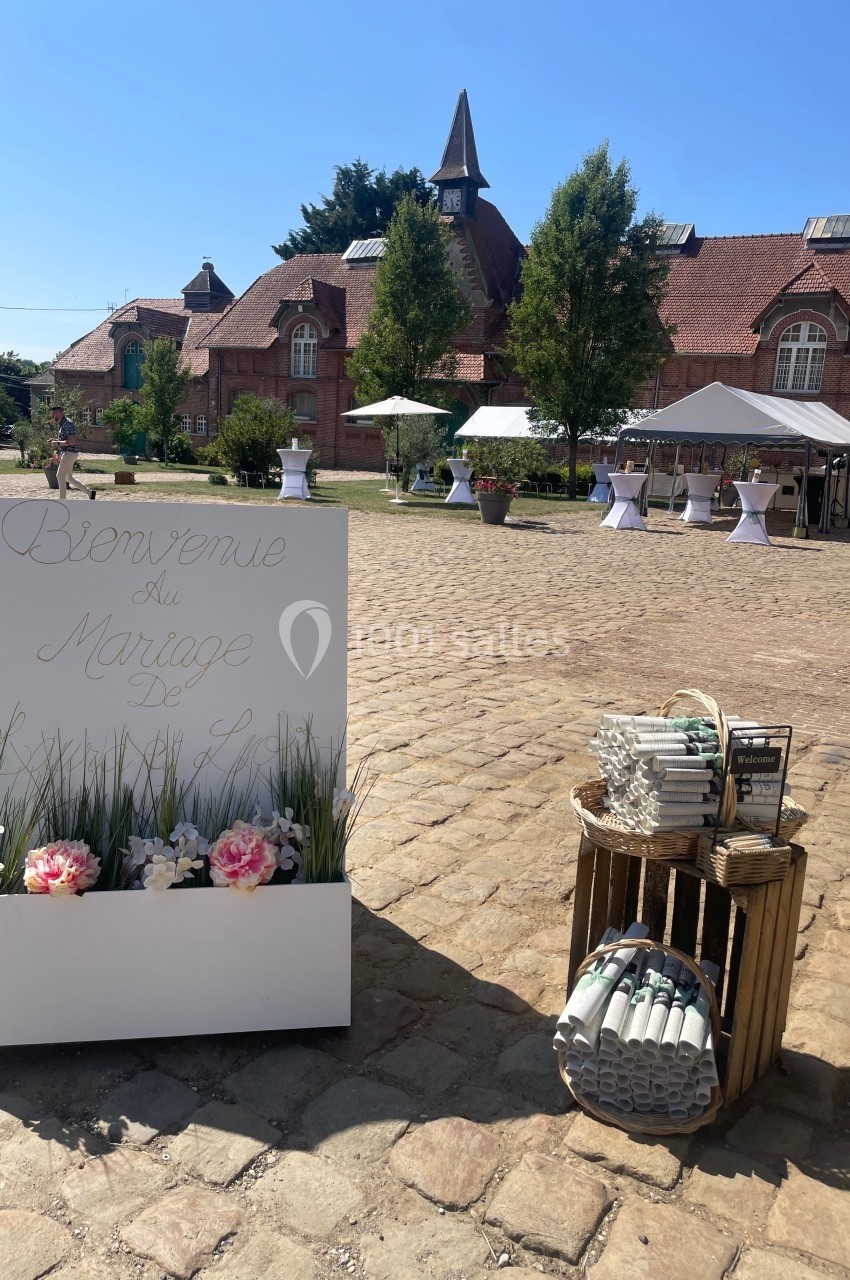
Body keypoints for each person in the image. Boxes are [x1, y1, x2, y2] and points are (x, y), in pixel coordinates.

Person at [50, 405, 95, 500]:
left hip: (69, 453)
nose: (53, 416)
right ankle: (90, 493)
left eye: (54, 414)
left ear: (59, 413)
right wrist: (55, 440)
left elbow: (71, 441)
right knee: (68, 478)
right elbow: (66, 439)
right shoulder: (63, 423)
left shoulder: (67, 423)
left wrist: (57, 443)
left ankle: (62, 500)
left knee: (59, 476)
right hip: (69, 453)